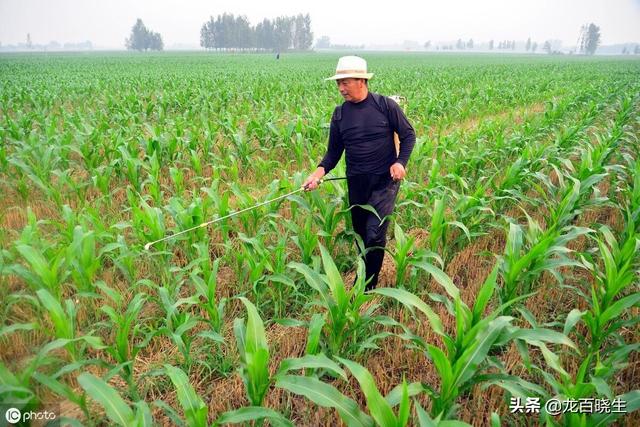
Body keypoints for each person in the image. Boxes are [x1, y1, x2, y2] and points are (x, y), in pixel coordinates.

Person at [302, 55, 416, 290]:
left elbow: (408, 135)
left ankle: (365, 287)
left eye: (345, 82)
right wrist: (316, 175)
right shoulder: (340, 115)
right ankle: (366, 273)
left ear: (361, 81)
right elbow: (332, 154)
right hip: (357, 184)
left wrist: (401, 162)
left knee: (374, 235)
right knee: (362, 235)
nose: (341, 88)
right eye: (338, 83)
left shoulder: (385, 106)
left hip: (385, 183)